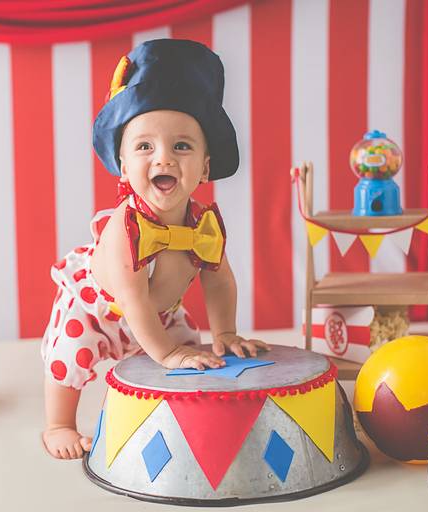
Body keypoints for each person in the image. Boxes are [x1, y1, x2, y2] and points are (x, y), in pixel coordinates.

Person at [41, 39, 269, 459]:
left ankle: (168, 417)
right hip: (98, 309)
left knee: (192, 350)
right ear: (124, 166)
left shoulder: (204, 225)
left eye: (182, 146)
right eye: (145, 146)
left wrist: (224, 333)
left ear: (204, 167)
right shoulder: (124, 227)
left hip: (158, 312)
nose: (163, 158)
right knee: (70, 355)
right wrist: (166, 352)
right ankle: (59, 424)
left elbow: (219, 281)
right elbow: (131, 298)